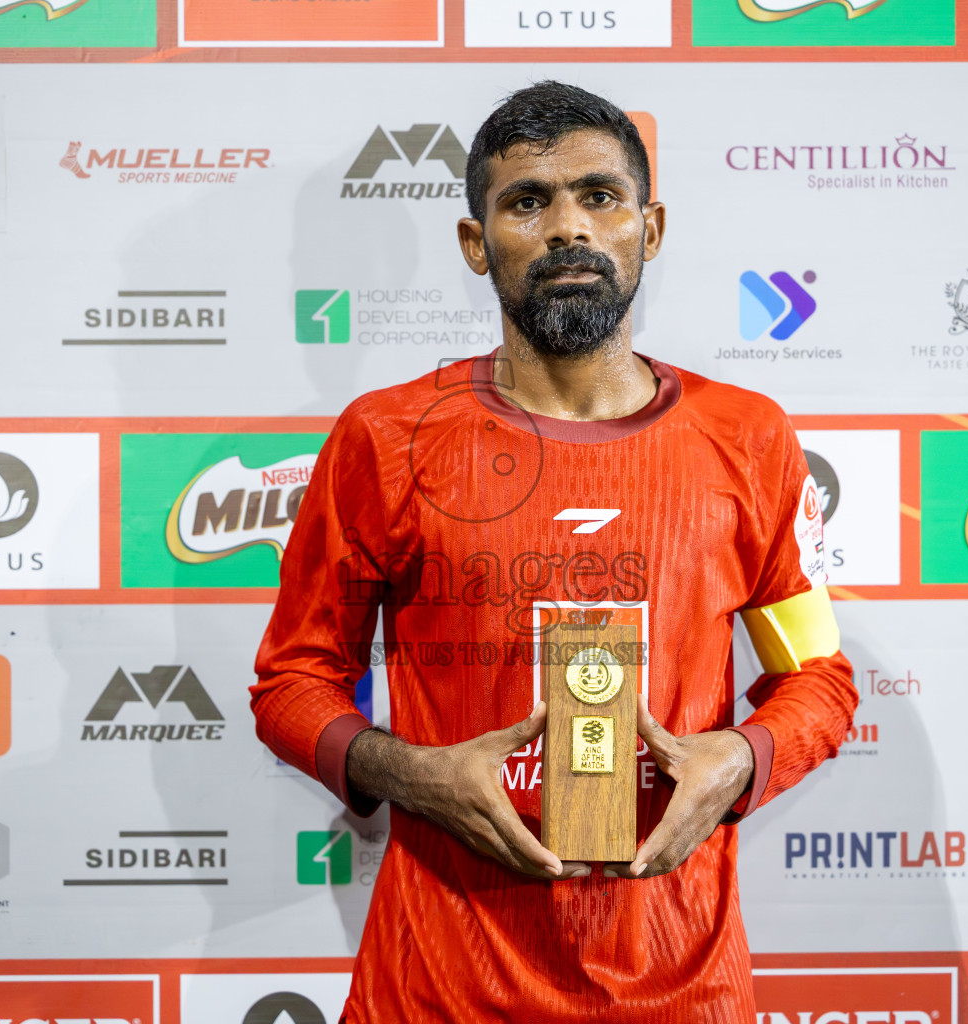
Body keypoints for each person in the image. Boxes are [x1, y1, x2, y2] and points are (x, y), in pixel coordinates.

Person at [252, 81, 857, 1022]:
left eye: (599, 196)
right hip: (440, 989)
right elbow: (291, 682)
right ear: (475, 242)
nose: (568, 227)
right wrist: (412, 774)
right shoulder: (387, 436)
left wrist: (741, 758)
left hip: (683, 986)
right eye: (527, 201)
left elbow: (817, 677)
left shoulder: (749, 437)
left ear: (649, 229)